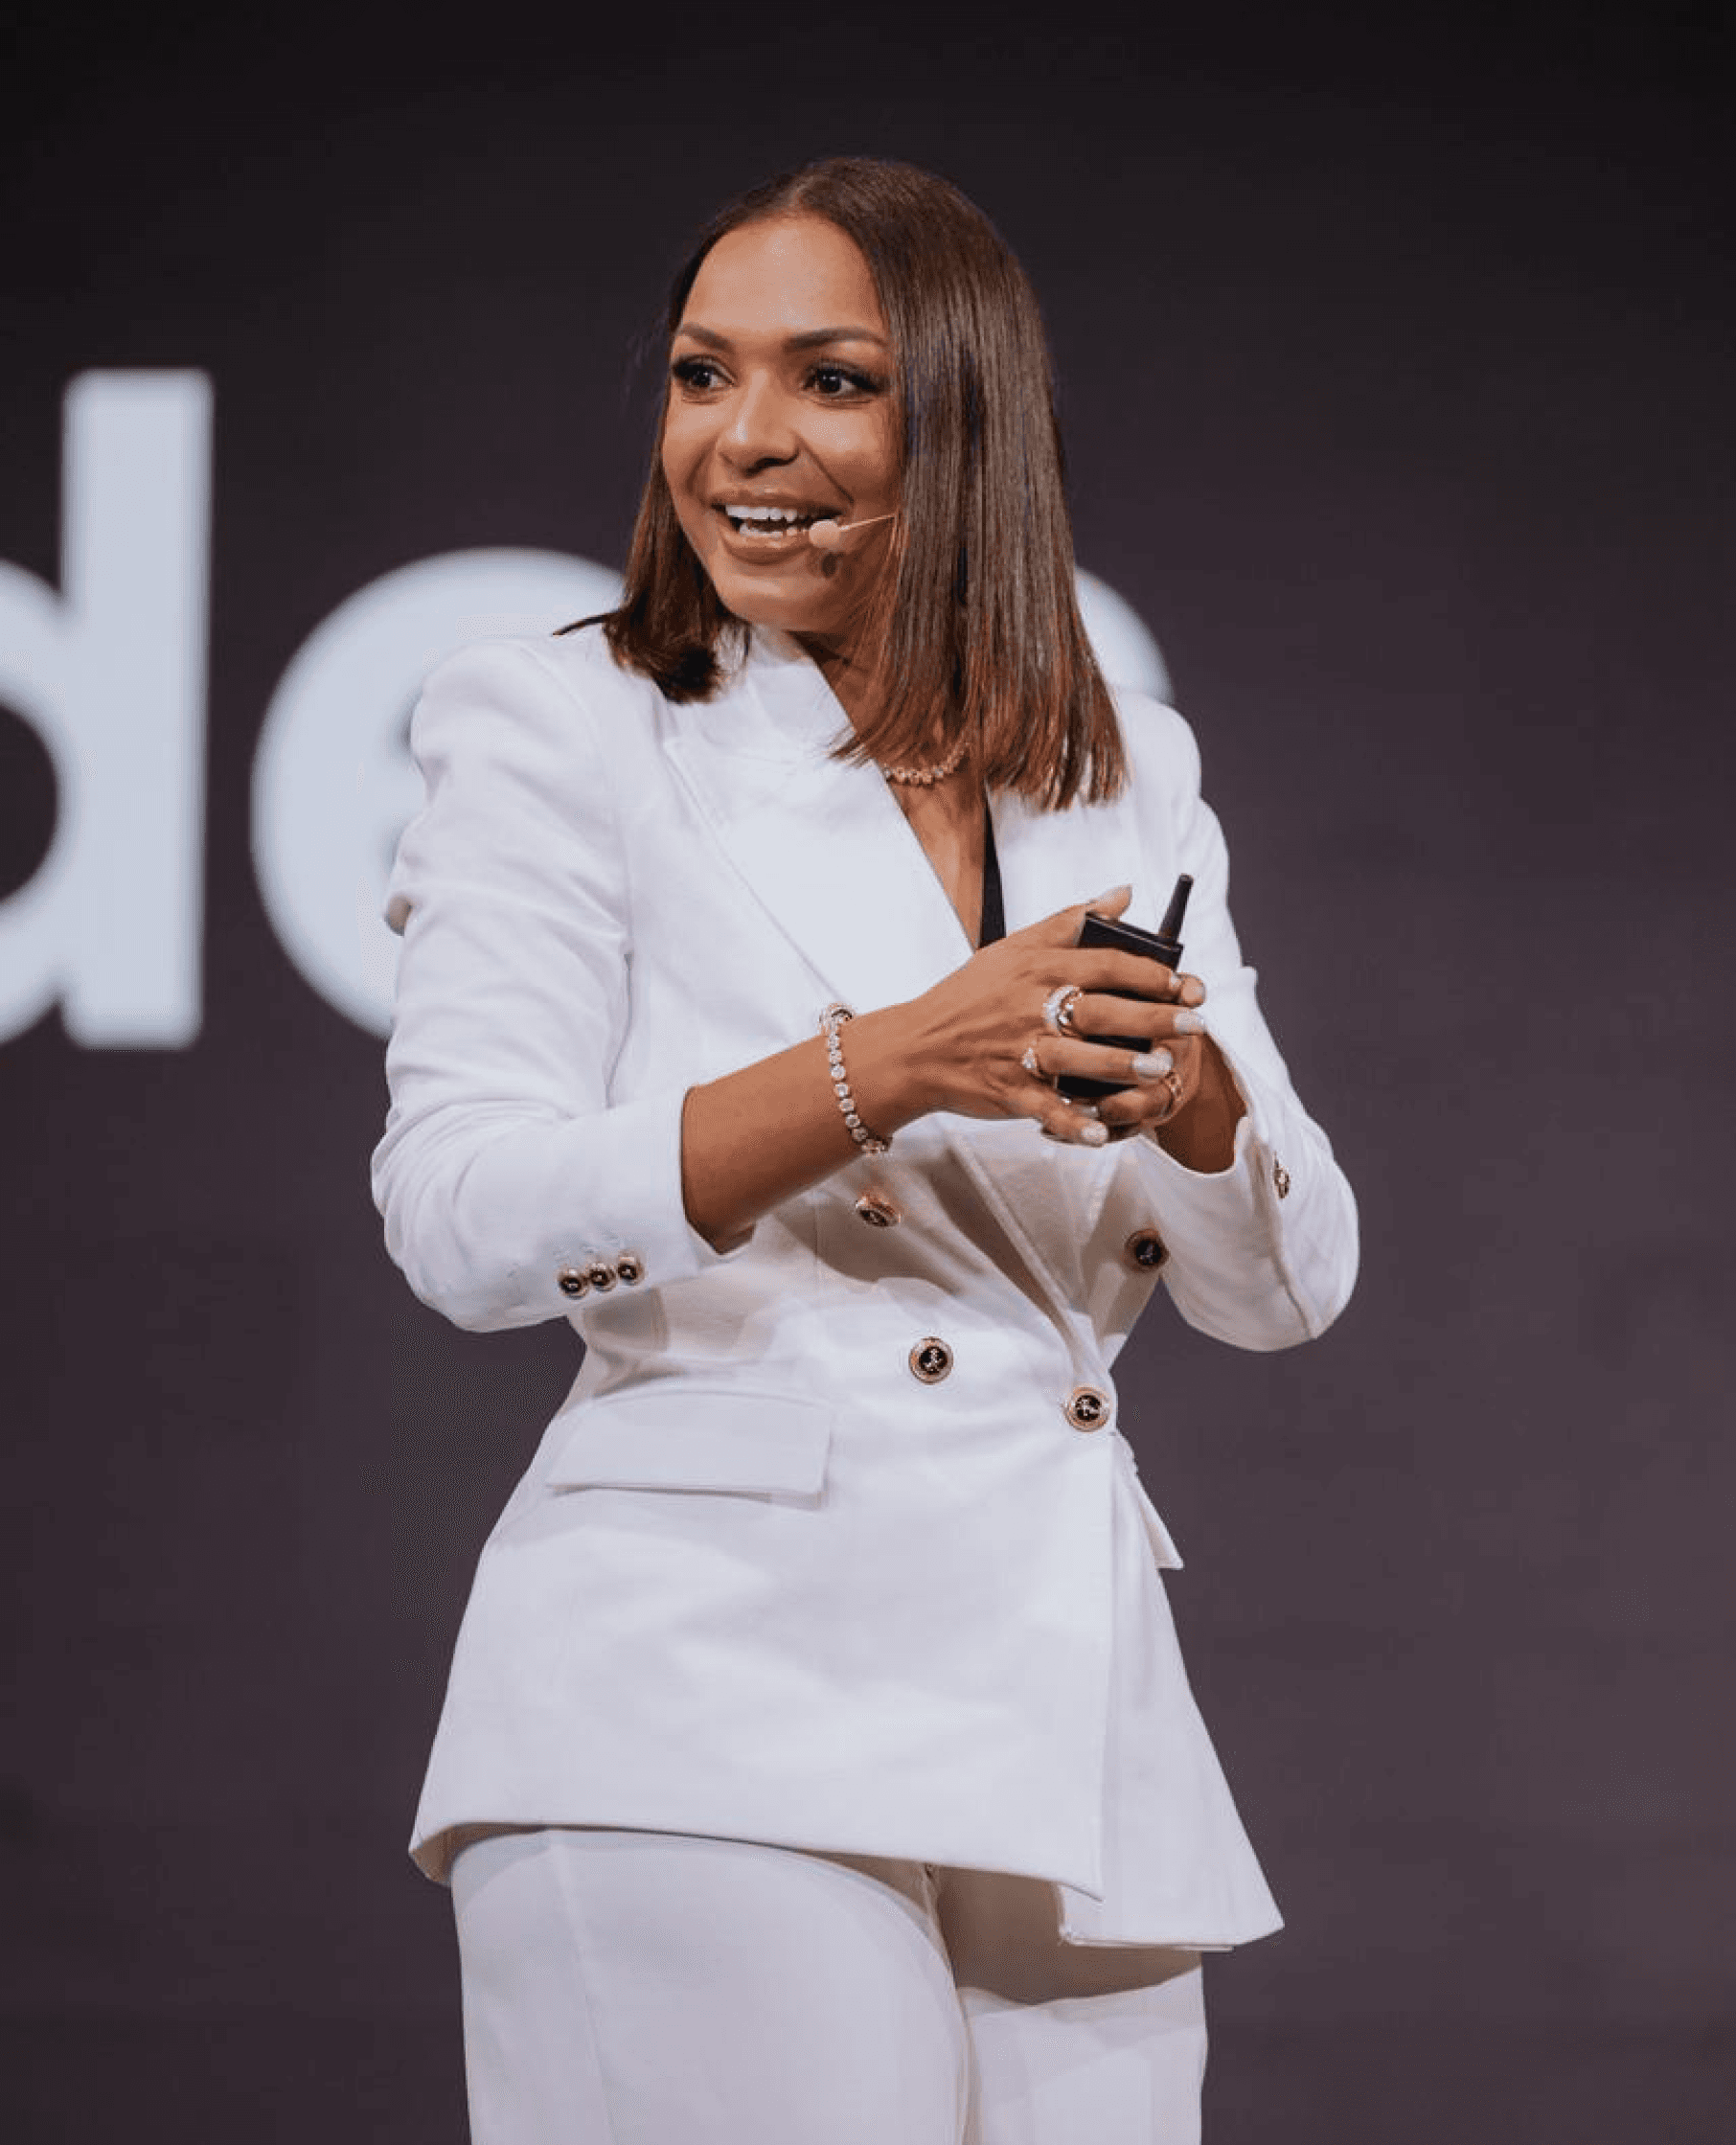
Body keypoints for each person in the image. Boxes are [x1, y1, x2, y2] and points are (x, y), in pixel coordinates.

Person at [372, 156, 1359, 2145]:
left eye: (831, 381)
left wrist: (1186, 1092)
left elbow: (1287, 1288)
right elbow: (461, 1218)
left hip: (1067, 1718)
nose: (742, 439)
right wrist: (888, 1064)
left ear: (967, 425)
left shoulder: (1121, 763)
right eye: (700, 374)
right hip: (699, 1694)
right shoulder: (568, 721)